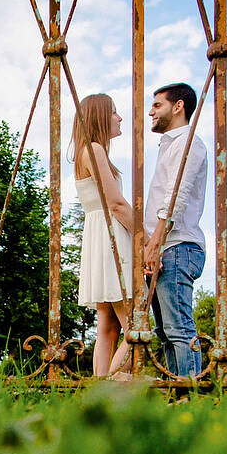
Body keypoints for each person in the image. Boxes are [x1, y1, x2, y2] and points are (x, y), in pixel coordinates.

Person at [72, 93, 142, 378]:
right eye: (114, 112)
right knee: (138, 329)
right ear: (100, 117)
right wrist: (146, 239)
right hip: (111, 237)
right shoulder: (95, 150)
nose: (120, 117)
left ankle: (96, 389)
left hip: (97, 238)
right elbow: (116, 204)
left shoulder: (84, 152)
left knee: (107, 327)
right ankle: (106, 393)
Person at [142, 82, 209, 379]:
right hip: (166, 247)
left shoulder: (188, 142)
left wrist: (155, 243)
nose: (151, 111)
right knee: (166, 332)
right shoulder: (170, 145)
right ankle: (176, 392)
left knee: (179, 328)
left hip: (178, 247)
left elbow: (175, 198)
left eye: (157, 105)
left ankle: (190, 394)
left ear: (178, 106)